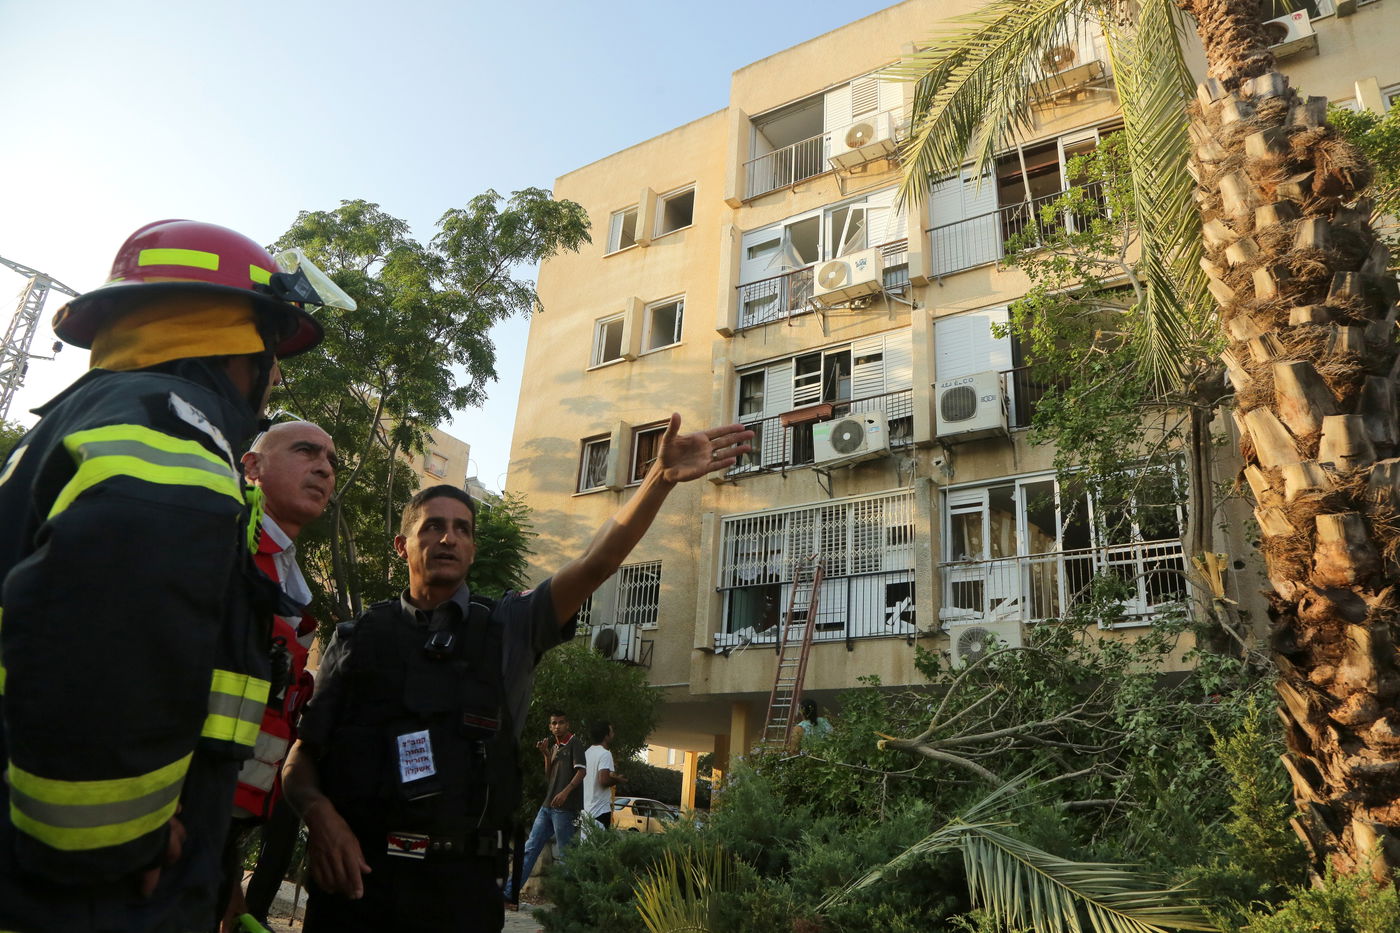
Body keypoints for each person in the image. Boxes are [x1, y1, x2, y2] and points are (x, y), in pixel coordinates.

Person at [0, 219, 352, 933]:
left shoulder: (91, 415)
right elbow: (106, 645)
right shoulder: (170, 433)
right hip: (88, 893)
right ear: (229, 340)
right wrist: (121, 844)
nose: (274, 374)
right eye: (268, 349)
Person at [282, 412, 752, 933]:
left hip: (459, 894)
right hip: (356, 884)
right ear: (403, 546)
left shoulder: (509, 626)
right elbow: (298, 764)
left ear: (473, 547)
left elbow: (597, 562)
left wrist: (658, 480)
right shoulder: (356, 639)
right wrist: (319, 819)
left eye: (462, 529)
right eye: (432, 526)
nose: (448, 538)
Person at [218, 422, 338, 932]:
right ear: (252, 467)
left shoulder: (290, 577)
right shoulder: (222, 548)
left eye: (331, 460)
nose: (324, 468)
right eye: (305, 451)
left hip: (223, 826)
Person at [505, 710, 586, 904]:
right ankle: (509, 893)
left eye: (561, 723)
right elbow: (549, 777)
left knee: (567, 855)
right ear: (550, 726)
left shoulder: (574, 743)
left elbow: (581, 771)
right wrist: (546, 755)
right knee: (530, 848)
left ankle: (565, 902)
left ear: (568, 724)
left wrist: (566, 792)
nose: (557, 726)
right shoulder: (556, 746)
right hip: (547, 806)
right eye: (554, 723)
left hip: (565, 809)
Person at [582, 721, 625, 830]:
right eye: (611, 731)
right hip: (600, 811)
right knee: (600, 845)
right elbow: (604, 780)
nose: (613, 734)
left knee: (587, 845)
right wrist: (618, 780)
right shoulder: (605, 753)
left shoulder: (587, 752)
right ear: (606, 736)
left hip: (586, 811)